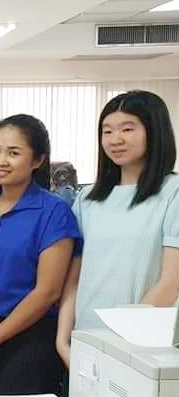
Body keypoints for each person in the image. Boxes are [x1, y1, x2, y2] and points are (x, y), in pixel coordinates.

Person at [0, 114, 80, 396]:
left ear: (37, 160)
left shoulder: (54, 212)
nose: (0, 160)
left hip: (28, 337)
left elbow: (47, 292)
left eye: (13, 153)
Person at [57, 91, 179, 366]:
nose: (115, 140)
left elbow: (171, 283)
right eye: (107, 131)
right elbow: (73, 279)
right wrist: (63, 340)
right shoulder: (87, 199)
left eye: (127, 129)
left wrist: (120, 348)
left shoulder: (173, 193)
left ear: (154, 132)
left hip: (140, 351)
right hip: (85, 345)